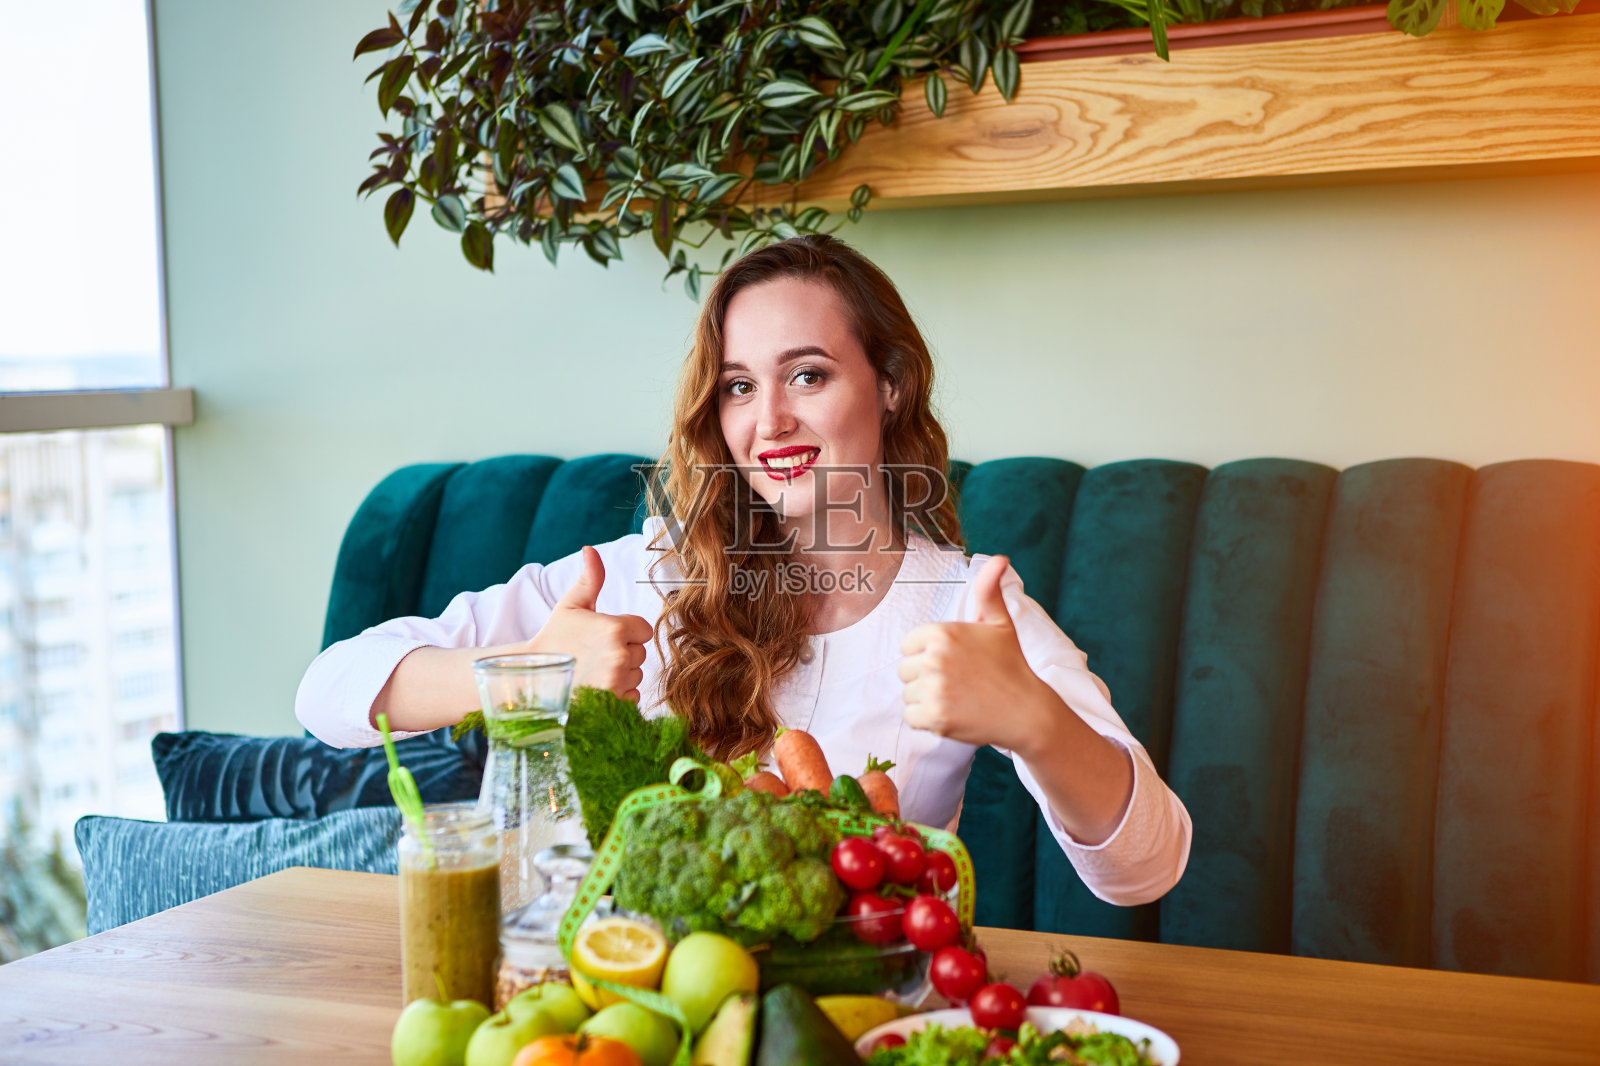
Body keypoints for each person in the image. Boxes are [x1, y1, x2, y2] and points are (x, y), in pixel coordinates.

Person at [296, 235, 1190, 906]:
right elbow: (328, 693)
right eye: (738, 386)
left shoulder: (967, 606)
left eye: (807, 376)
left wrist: (1035, 720)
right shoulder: (642, 572)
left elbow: (1147, 866)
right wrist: (524, 675)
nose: (771, 422)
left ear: (890, 386)